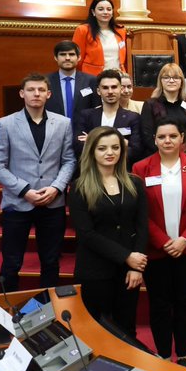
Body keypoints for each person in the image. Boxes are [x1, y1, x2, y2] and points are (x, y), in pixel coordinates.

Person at [0, 74, 75, 291]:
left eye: (40, 90)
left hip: (52, 202)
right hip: (17, 204)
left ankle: (47, 312)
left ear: (48, 94)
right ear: (22, 93)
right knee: (11, 263)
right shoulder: (5, 124)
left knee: (50, 262)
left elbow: (69, 160)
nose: (36, 94)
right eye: (31, 90)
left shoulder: (63, 123)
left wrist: (56, 187)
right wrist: (25, 190)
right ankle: (8, 313)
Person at [132, 118, 186, 366]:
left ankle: (183, 355)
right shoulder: (141, 168)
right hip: (156, 251)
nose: (167, 141)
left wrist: (185, 239)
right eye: (162, 137)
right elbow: (141, 214)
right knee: (160, 304)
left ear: (182, 138)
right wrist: (164, 241)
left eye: (173, 136)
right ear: (154, 140)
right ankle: (163, 355)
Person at [69, 127, 148, 339]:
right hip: (95, 270)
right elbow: (86, 234)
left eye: (115, 147)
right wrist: (127, 257)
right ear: (92, 151)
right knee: (97, 330)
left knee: (127, 330)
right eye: (102, 148)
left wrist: (137, 266)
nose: (110, 152)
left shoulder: (135, 183)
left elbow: (141, 226)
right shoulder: (79, 187)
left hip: (129, 271)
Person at [73, 69, 144, 165]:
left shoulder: (133, 117)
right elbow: (78, 147)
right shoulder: (86, 116)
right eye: (105, 88)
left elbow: (136, 151)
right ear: (98, 91)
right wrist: (123, 143)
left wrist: (92, 140)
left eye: (114, 87)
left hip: (121, 171)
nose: (110, 91)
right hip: (91, 170)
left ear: (120, 89)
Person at [139, 63, 186, 155]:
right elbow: (147, 136)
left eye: (176, 77)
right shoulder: (151, 104)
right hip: (159, 154)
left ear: (181, 82)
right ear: (160, 81)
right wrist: (166, 152)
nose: (171, 81)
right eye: (166, 77)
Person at [71, 0, 126, 75]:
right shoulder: (83, 30)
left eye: (109, 9)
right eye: (101, 9)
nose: (105, 12)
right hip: (92, 77)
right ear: (93, 12)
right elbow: (77, 58)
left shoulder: (121, 30)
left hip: (118, 76)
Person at [45, 40, 100, 120]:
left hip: (84, 130)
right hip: (54, 130)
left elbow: (96, 109)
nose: (67, 58)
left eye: (71, 54)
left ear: (79, 57)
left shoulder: (91, 80)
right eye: (63, 54)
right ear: (55, 58)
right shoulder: (46, 82)